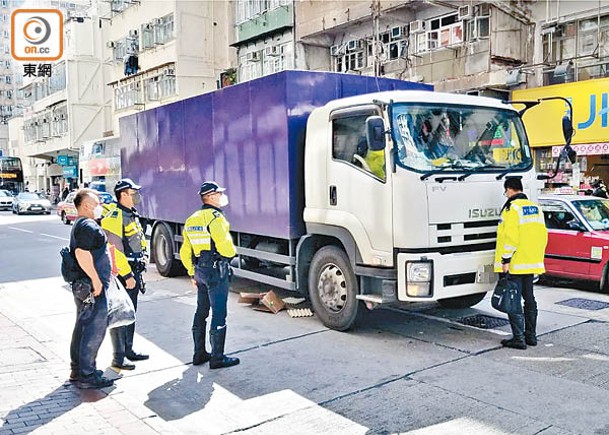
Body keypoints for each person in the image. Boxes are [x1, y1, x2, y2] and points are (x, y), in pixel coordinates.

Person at [180, 181, 240, 369]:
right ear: (212, 197)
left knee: (201, 311)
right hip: (216, 270)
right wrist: (230, 255)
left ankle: (199, 354)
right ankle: (217, 358)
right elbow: (226, 247)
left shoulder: (192, 219)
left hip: (199, 271)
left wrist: (192, 273)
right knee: (219, 312)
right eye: (219, 193)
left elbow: (185, 251)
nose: (222, 196)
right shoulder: (216, 218)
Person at [101, 178, 149, 370]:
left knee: (130, 312)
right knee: (121, 314)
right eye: (133, 192)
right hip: (124, 273)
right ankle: (118, 357)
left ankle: (128, 350)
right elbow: (114, 248)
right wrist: (127, 276)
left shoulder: (131, 214)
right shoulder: (115, 215)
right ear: (123, 195)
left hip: (134, 270)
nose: (136, 195)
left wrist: (146, 256)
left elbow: (138, 238)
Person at [494, 177, 548, 350]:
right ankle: (531, 336)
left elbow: (511, 238)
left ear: (510, 189)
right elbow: (543, 234)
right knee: (529, 298)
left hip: (516, 262)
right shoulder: (535, 207)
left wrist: (505, 259)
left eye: (505, 191)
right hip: (531, 261)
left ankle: (518, 338)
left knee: (513, 300)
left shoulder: (512, 208)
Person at [69, 189, 114, 389]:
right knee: (93, 328)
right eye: (97, 204)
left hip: (82, 285)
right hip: (91, 286)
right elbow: (82, 253)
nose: (100, 207)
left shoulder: (80, 224)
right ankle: (87, 375)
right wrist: (96, 280)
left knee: (82, 325)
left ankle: (78, 369)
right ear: (86, 206)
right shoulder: (87, 225)